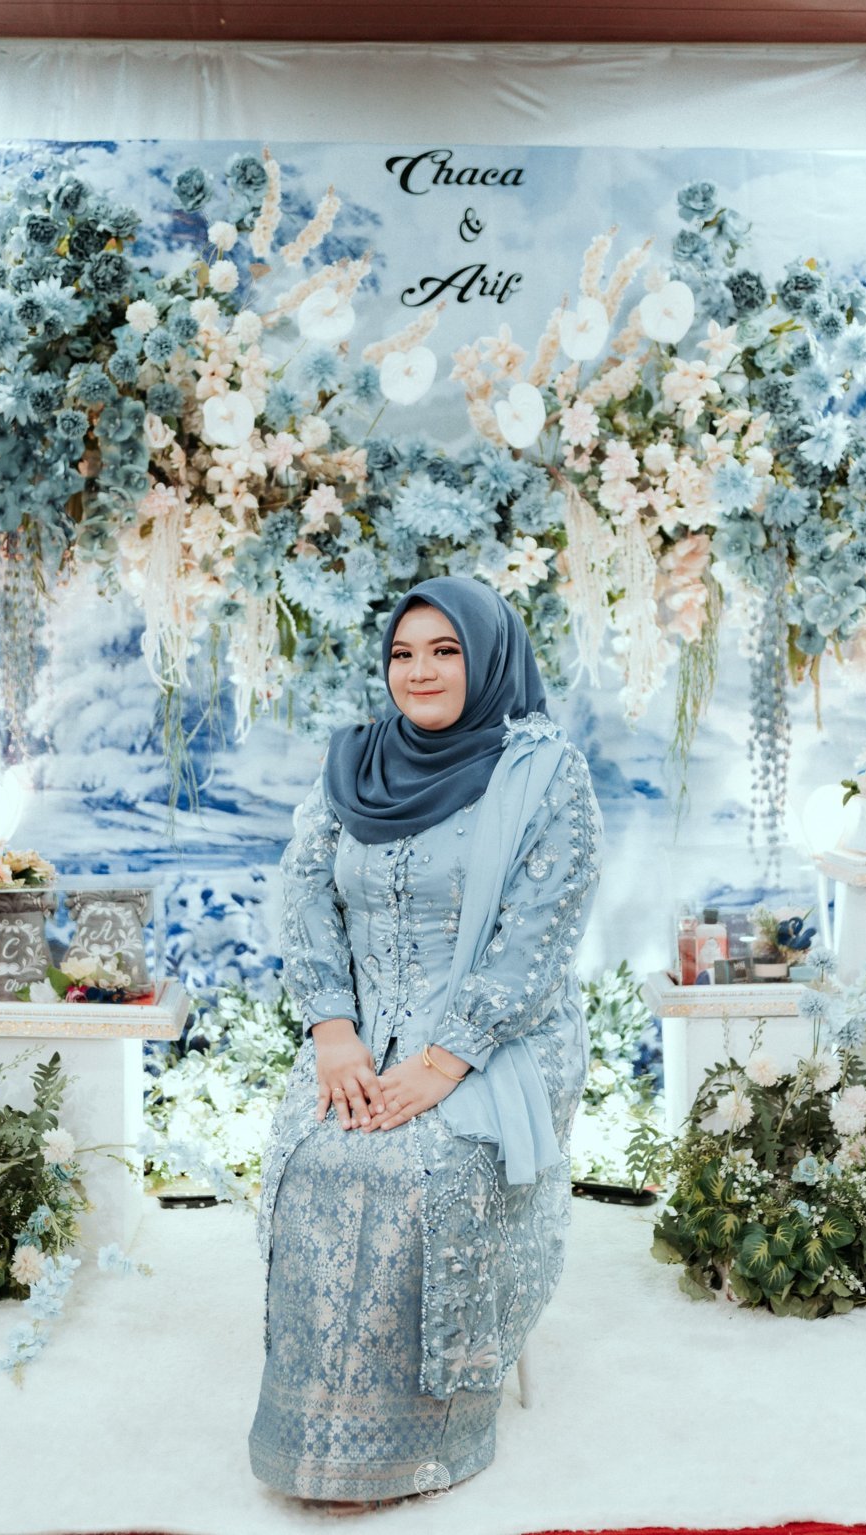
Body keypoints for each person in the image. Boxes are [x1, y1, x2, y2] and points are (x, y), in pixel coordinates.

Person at [248, 574, 604, 1513]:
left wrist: (446, 1062)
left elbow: (540, 935)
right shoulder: (353, 763)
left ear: (488, 659)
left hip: (502, 1037)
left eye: (446, 651)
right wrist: (333, 1031)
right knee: (318, 1157)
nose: (421, 671)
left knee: (423, 1170)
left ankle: (424, 1438)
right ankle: (312, 1432)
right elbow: (305, 891)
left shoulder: (544, 772)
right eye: (404, 653)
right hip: (361, 1034)